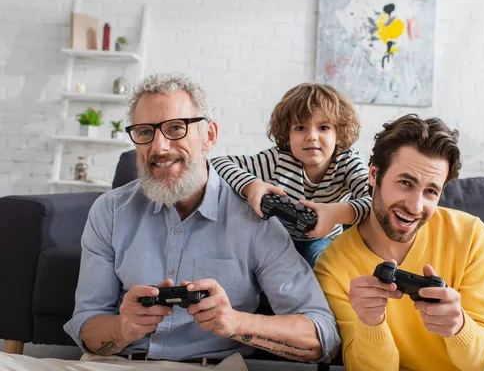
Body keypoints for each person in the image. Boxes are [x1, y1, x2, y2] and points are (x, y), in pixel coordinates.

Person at [0, 73, 340, 370]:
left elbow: (321, 336)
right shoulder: (111, 210)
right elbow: (87, 327)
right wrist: (124, 327)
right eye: (145, 132)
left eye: (176, 128)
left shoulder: (255, 218)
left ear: (209, 136)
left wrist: (234, 323)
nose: (159, 146)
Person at [313, 114, 484, 370]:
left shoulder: (470, 235)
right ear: (374, 174)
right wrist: (371, 323)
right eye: (405, 183)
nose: (415, 206)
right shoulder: (332, 266)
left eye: (431, 191)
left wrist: (459, 328)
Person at [211, 83, 371, 267]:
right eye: (300, 128)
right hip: (278, 238)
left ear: (339, 134)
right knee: (256, 264)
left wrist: (336, 213)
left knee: (325, 263)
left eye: (324, 127)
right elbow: (217, 164)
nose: (312, 136)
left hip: (323, 241)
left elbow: (374, 201)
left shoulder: (347, 163)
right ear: (287, 135)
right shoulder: (277, 160)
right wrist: (252, 185)